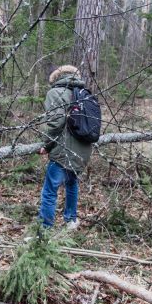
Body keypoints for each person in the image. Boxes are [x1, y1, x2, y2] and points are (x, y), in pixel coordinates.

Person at [38, 65, 92, 230]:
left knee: (50, 191)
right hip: (83, 150)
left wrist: (46, 145)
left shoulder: (56, 93)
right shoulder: (85, 94)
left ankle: (44, 229)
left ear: (57, 78)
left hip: (62, 150)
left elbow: (55, 123)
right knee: (71, 184)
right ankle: (71, 220)